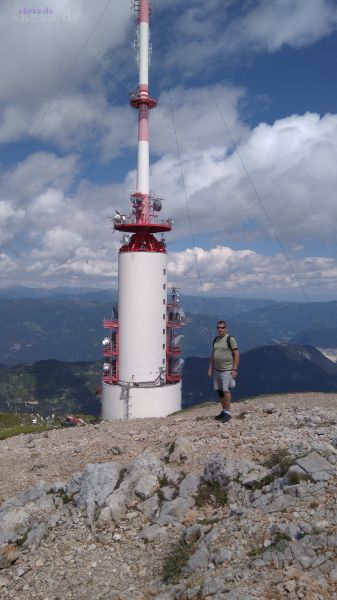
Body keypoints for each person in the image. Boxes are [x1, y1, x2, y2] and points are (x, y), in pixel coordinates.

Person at [208, 320, 239, 423]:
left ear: (226, 328)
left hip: (227, 370)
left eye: (222, 327)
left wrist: (234, 369)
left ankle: (228, 413)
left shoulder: (230, 339)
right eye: (218, 328)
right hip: (217, 370)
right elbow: (213, 353)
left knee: (226, 390)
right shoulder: (216, 339)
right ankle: (224, 410)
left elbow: (236, 354)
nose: (220, 329)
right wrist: (210, 368)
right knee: (219, 391)